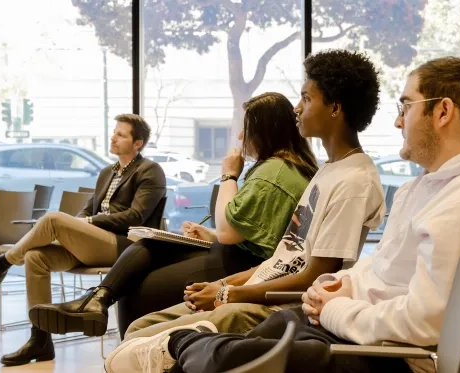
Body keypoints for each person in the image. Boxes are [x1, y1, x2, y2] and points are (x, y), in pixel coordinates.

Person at [111, 56, 460, 373]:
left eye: (406, 106)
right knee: (257, 339)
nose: (397, 120)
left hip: (388, 354)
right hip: (358, 330)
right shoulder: (430, 187)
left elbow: (425, 322)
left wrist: (331, 308)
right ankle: (188, 345)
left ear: (442, 111)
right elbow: (384, 271)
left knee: (235, 352)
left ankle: (182, 346)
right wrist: (340, 285)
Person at [103, 49, 388, 373]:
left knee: (132, 348)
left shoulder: (354, 181)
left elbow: (313, 277)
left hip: (277, 307)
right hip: (255, 290)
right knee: (137, 330)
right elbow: (280, 259)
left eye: (306, 99)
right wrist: (224, 286)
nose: (297, 107)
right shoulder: (328, 170)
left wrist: (229, 293)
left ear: (335, 107)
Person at [29, 92, 319, 339]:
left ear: (265, 132)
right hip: (238, 254)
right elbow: (257, 231)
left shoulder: (273, 172)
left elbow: (232, 233)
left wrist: (229, 175)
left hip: (245, 263)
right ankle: (96, 301)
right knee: (149, 244)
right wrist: (212, 234)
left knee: (137, 286)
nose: (242, 137)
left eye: (247, 129)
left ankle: (125, 350)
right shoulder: (284, 167)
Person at [0, 114, 166, 366]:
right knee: (35, 257)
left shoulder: (150, 171)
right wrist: (79, 226)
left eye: (121, 134)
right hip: (96, 242)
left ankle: (2, 264)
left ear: (137, 143)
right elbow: (87, 210)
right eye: (114, 132)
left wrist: (85, 224)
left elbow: (135, 216)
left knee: (53, 219)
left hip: (124, 246)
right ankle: (40, 340)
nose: (114, 137)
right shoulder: (107, 172)